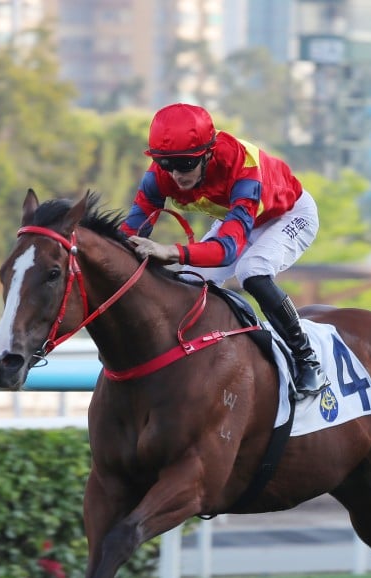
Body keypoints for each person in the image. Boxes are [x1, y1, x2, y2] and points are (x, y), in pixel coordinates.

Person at [121, 103, 328, 397]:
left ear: (207, 152)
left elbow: (228, 250)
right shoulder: (159, 176)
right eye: (167, 164)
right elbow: (128, 235)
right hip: (238, 218)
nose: (176, 174)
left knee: (251, 271)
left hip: (290, 215)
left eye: (186, 164)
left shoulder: (242, 166)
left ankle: (306, 359)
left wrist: (172, 252)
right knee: (188, 283)